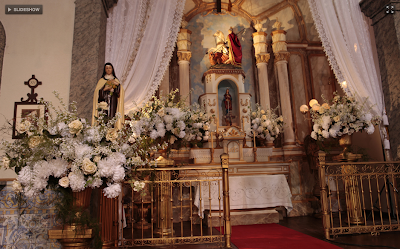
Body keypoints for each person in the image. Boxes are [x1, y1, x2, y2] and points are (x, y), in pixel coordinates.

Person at [92, 63, 125, 129]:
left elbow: (120, 91)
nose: (108, 69)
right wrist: (105, 89)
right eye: (107, 68)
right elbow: (97, 92)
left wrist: (115, 88)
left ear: (112, 69)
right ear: (105, 70)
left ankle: (112, 130)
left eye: (109, 68)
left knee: (112, 116)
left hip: (113, 101)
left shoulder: (115, 80)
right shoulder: (101, 80)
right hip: (104, 102)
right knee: (104, 117)